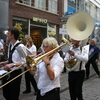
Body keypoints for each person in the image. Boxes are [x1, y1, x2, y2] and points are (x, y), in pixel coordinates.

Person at [0, 27, 26, 100]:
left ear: (13, 35)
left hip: (16, 73)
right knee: (6, 93)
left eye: (8, 33)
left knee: (14, 95)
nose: (7, 35)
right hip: (8, 72)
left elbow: (25, 62)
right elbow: (12, 60)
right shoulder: (10, 45)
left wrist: (12, 64)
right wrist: (5, 63)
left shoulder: (20, 47)